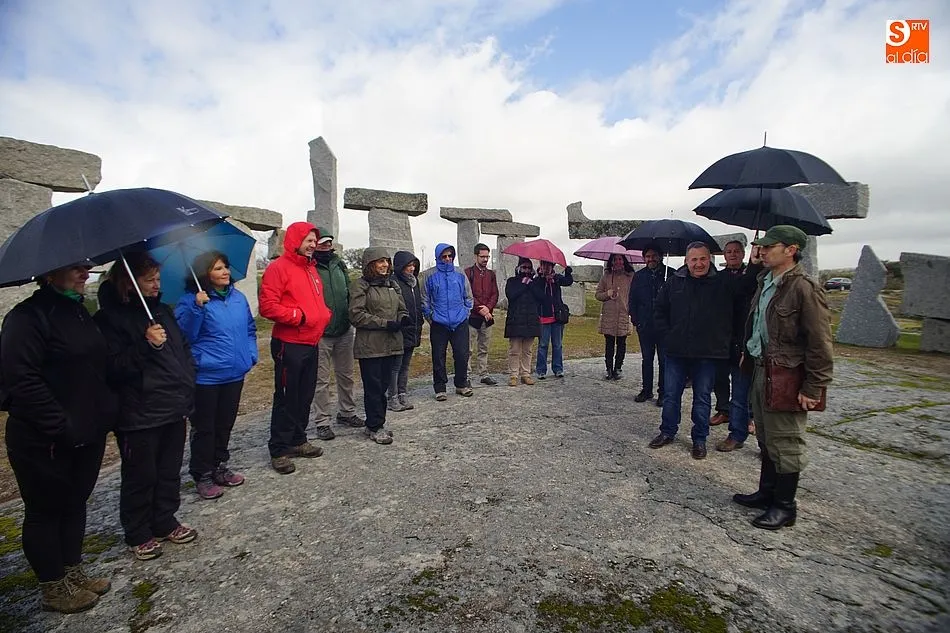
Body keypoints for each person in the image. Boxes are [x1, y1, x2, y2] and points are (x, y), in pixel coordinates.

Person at [1, 263, 116, 612]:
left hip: (86, 430)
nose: (85, 272)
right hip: (44, 437)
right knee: (45, 510)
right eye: (75, 268)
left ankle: (72, 571)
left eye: (85, 267)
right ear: (48, 274)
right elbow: (20, 378)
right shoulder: (27, 317)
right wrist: (59, 424)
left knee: (75, 502)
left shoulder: (78, 311)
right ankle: (52, 586)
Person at [95, 253, 197, 560]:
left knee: (168, 470)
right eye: (149, 279)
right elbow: (112, 368)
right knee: (141, 475)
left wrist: (188, 377)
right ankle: (138, 531)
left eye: (157, 278)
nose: (156, 285)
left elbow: (181, 348)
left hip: (173, 404)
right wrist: (145, 344)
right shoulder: (107, 320)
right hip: (138, 410)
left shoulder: (161, 311)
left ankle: (164, 519)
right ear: (128, 282)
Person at [733, 225, 833, 530]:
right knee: (766, 436)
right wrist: (749, 350)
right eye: (761, 246)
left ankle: (785, 506)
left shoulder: (804, 288)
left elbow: (820, 342)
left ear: (791, 250)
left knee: (786, 440)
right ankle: (767, 493)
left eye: (769, 246)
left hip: (786, 374)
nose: (762, 251)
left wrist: (813, 386)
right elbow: (758, 326)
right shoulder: (765, 281)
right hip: (760, 369)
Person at [648, 242, 758, 460]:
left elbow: (747, 287)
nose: (698, 264)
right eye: (694, 259)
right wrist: (668, 336)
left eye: (703, 259)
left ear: (710, 260)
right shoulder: (674, 282)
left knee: (702, 398)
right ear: (686, 261)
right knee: (671, 395)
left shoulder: (723, 282)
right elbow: (659, 310)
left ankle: (699, 439)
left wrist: (754, 264)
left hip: (707, 354)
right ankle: (667, 431)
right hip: (677, 352)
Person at [174, 250, 257, 500]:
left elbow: (249, 328)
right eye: (218, 268)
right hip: (206, 376)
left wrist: (251, 354)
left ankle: (220, 465)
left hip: (234, 373)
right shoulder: (190, 301)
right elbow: (184, 336)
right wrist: (196, 308)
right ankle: (203, 474)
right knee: (205, 428)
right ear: (204, 273)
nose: (225, 272)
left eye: (226, 267)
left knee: (224, 424)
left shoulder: (238, 298)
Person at [258, 222, 333, 475]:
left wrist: (324, 314)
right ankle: (279, 449)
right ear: (295, 241)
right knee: (287, 396)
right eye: (308, 241)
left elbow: (316, 301)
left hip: (311, 341)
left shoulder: (311, 269)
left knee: (305, 395)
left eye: (314, 241)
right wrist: (298, 316)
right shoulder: (278, 268)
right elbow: (267, 306)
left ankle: (298, 440)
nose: (312, 245)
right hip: (289, 343)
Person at [348, 248, 408, 444]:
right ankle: (375, 426)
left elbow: (401, 308)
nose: (385, 265)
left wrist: (403, 318)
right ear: (370, 263)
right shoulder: (360, 286)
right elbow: (356, 315)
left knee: (382, 386)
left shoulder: (392, 284)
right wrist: (384, 323)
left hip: (391, 343)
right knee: (373, 387)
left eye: (387, 261)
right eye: (380, 261)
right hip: (370, 346)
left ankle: (375, 423)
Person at [311, 228, 364, 441]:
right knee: (321, 380)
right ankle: (322, 421)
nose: (326, 245)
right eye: (322, 242)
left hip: (344, 328)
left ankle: (347, 412)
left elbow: (348, 291)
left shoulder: (339, 264)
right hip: (321, 332)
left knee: (346, 375)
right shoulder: (310, 267)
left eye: (329, 242)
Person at [713, 240, 757, 452]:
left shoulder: (753, 276)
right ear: (724, 255)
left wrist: (753, 269)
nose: (732, 255)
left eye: (736, 251)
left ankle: (738, 431)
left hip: (743, 339)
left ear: (743, 253)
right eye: (729, 251)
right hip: (722, 339)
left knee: (741, 390)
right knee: (720, 380)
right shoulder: (718, 278)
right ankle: (723, 410)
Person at [422, 243, 474, 400]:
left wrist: (465, 313)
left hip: (459, 321)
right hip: (439, 322)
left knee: (462, 354)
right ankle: (440, 388)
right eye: (444, 256)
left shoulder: (460, 273)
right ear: (438, 257)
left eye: (450, 256)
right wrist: (430, 317)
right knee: (438, 356)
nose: (447, 259)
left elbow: (468, 296)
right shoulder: (429, 275)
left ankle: (461, 384)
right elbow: (425, 299)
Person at [628, 246, 675, 405]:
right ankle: (646, 390)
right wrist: (636, 320)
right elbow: (632, 299)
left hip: (664, 326)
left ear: (660, 257)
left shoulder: (670, 274)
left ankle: (663, 392)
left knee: (664, 360)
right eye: (648, 256)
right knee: (647, 359)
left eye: (654, 256)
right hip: (645, 324)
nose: (651, 259)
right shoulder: (639, 276)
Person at [387, 250, 423, 411]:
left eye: (414, 265)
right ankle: (392, 397)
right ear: (400, 266)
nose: (412, 268)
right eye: (408, 265)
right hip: (399, 329)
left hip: (413, 329)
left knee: (405, 365)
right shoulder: (393, 282)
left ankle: (402, 393)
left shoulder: (414, 282)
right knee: (395, 366)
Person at [595, 254, 635, 380]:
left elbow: (635, 294)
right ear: (611, 262)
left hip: (623, 314)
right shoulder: (606, 277)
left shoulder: (630, 277)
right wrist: (607, 294)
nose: (618, 262)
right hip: (609, 315)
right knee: (609, 343)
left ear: (624, 261)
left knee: (622, 343)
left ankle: (618, 368)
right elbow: (597, 295)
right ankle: (609, 368)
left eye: (620, 259)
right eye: (615, 259)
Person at [503, 257, 542, 386]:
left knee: (527, 350)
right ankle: (513, 375)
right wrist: (523, 284)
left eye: (529, 268)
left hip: (531, 320)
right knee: (514, 350)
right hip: (516, 319)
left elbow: (541, 297)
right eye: (524, 267)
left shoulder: (535, 283)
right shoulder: (512, 281)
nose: (526, 270)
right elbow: (511, 295)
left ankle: (526, 374)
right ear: (518, 268)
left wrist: (531, 284)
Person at [464, 243, 499, 385]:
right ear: (476, 256)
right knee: (468, 348)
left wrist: (488, 308)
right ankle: (466, 375)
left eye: (487, 257)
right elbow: (467, 293)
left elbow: (495, 294)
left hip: (487, 317)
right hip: (472, 316)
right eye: (482, 256)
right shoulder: (468, 273)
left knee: (484, 347)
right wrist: (480, 308)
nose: (485, 259)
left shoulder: (491, 274)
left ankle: (483, 373)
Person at [532, 260, 573, 379]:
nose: (546, 268)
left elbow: (568, 281)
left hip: (557, 317)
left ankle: (558, 369)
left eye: (549, 265)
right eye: (544, 265)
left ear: (552, 266)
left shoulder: (557, 278)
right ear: (541, 266)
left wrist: (568, 272)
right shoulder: (537, 280)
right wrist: (544, 281)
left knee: (557, 344)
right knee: (543, 345)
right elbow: (538, 295)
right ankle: (541, 370)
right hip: (544, 316)